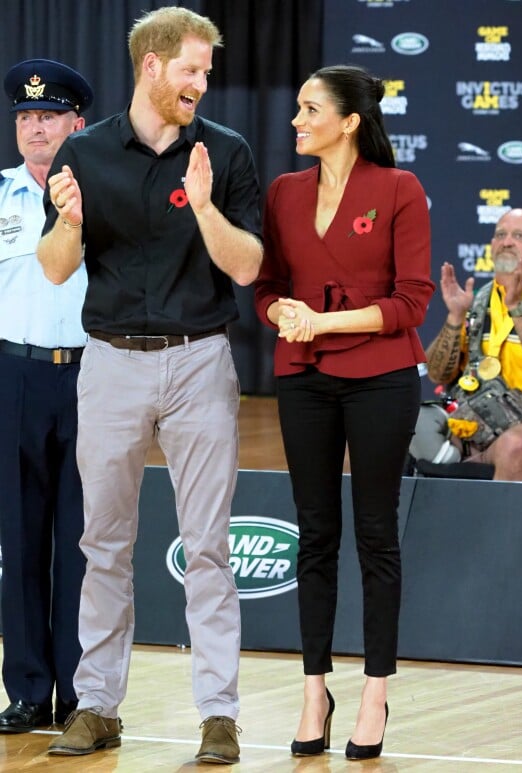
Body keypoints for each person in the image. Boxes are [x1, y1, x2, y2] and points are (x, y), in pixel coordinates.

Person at [36, 7, 262, 763]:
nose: (202, 82)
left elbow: (245, 266)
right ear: (151, 66)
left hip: (200, 359)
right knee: (103, 542)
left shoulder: (225, 154)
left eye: (207, 69)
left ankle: (219, 715)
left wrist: (202, 207)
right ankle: (98, 704)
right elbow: (57, 267)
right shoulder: (85, 154)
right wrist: (68, 220)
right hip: (110, 361)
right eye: (191, 68)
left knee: (208, 547)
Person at [254, 64, 434, 760]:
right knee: (316, 535)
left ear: (350, 121)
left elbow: (412, 302)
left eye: (309, 109)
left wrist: (322, 323)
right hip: (302, 380)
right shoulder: (285, 192)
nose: (296, 120)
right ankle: (313, 688)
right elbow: (268, 287)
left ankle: (375, 692)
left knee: (376, 534)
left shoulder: (398, 189)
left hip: (381, 378)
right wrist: (283, 314)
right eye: (297, 107)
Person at [0, 59, 92, 734]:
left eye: (48, 116)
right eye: (26, 117)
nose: (35, 128)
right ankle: (29, 688)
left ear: (76, 125)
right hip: (14, 377)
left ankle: (81, 690)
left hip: (93, 376)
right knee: (20, 539)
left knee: (85, 542)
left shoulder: (105, 194)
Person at [420, 208, 522, 481]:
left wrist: (517, 308)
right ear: (492, 245)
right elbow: (437, 374)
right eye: (500, 235)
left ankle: (504, 522)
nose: (507, 241)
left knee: (512, 445)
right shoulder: (477, 303)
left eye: (519, 235)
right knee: (400, 425)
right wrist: (456, 315)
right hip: (472, 421)